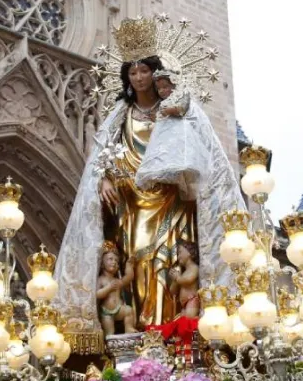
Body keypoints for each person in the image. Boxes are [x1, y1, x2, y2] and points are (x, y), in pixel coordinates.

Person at [52, 17, 245, 345]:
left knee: (173, 262)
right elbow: (102, 159)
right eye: (132, 72)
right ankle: (141, 330)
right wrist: (104, 181)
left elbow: (205, 154)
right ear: (126, 76)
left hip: (173, 199)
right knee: (139, 261)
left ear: (156, 74)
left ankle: (175, 332)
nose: (139, 77)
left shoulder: (180, 110)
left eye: (144, 70)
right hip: (131, 202)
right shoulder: (119, 116)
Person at [135, 70, 205, 201]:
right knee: (163, 154)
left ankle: (184, 183)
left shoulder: (182, 95)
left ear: (174, 85)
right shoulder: (163, 103)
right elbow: (160, 118)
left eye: (165, 87)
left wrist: (169, 111)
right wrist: (153, 117)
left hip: (178, 132)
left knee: (178, 157)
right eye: (159, 88)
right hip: (163, 135)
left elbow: (182, 109)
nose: (161, 91)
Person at [96, 241, 137, 336]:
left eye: (116, 261)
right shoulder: (101, 280)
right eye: (110, 259)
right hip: (106, 312)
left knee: (128, 310)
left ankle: (129, 328)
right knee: (110, 333)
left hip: (118, 309)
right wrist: (108, 288)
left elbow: (128, 278)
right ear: (102, 263)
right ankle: (110, 339)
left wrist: (129, 266)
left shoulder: (117, 281)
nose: (114, 262)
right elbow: (97, 294)